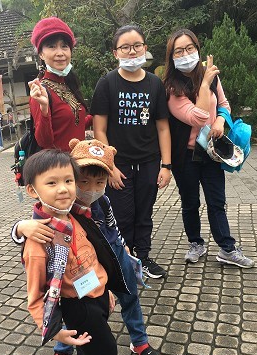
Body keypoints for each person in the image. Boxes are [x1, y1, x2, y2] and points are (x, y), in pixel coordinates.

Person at [12, 138, 161, 355]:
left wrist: (123, 246)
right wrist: (20, 227)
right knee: (69, 306)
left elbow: (112, 226)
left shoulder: (102, 200)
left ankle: (139, 340)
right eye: (82, 181)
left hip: (111, 254)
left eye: (100, 182)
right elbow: (37, 225)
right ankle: (62, 349)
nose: (91, 189)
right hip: (77, 266)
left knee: (130, 295)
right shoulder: (62, 205)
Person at [20, 149, 128, 355]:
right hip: (77, 306)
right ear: (32, 190)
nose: (63, 189)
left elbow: (97, 255)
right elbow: (34, 297)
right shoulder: (39, 240)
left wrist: (107, 288)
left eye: (68, 181)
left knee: (89, 351)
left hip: (99, 295)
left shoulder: (78, 215)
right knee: (106, 350)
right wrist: (53, 330)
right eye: (52, 182)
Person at [162, 29, 254, 267]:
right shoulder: (171, 89)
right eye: (179, 51)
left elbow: (223, 104)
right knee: (190, 202)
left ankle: (227, 248)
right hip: (185, 155)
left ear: (197, 48)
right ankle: (196, 243)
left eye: (189, 48)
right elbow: (198, 117)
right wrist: (204, 85)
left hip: (212, 152)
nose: (185, 54)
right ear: (171, 56)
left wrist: (221, 120)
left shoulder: (211, 75)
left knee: (216, 201)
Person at [90, 24, 172, 279]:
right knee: (122, 215)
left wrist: (166, 166)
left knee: (144, 213)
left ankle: (143, 257)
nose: (132, 51)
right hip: (120, 164)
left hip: (149, 162)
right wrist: (110, 167)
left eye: (137, 46)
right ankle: (123, 260)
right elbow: (99, 129)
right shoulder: (107, 83)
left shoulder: (155, 84)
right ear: (115, 52)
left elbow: (163, 127)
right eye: (125, 47)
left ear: (145, 48)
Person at [29, 17, 93, 152]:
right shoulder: (41, 91)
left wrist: (102, 112)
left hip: (79, 161)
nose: (60, 53)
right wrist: (44, 108)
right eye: (52, 46)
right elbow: (44, 142)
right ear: (41, 54)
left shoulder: (69, 85)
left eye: (64, 46)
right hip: (60, 164)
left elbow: (75, 124)